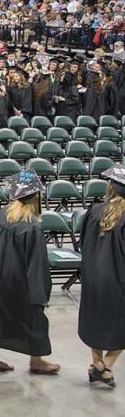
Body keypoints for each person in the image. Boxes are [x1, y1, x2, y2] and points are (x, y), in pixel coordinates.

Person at [0, 172, 59, 375]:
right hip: (21, 281)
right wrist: (40, 294)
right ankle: (37, 361)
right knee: (35, 320)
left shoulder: (4, 214)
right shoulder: (32, 226)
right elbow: (36, 264)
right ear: (36, 197)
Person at [76, 163, 125, 388]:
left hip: (93, 276)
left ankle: (97, 363)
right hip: (118, 278)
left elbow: (82, 243)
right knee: (120, 327)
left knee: (95, 322)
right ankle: (105, 365)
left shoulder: (94, 211)